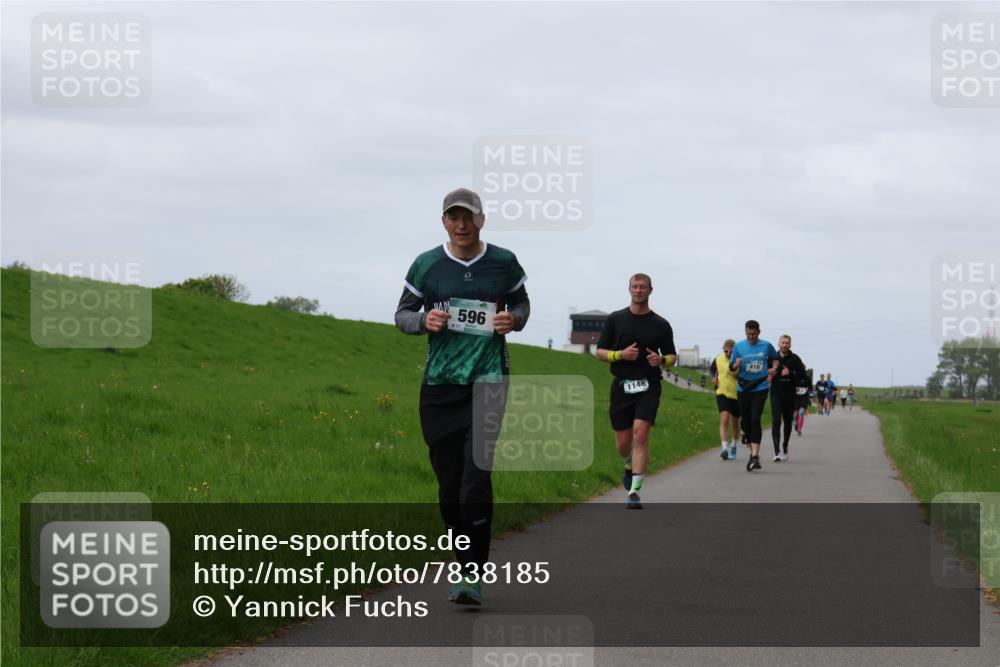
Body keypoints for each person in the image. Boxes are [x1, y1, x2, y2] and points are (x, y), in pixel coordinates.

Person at [394, 187, 530, 606]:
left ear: (481, 219)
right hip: (439, 386)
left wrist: (514, 320)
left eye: (468, 216)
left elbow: (522, 304)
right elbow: (401, 315)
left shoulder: (504, 262)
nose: (461, 223)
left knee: (475, 479)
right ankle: (462, 556)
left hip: (489, 382)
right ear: (444, 222)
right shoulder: (427, 265)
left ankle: (471, 573)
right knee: (450, 486)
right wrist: (424, 320)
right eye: (453, 217)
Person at [596, 273, 677, 509]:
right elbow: (599, 352)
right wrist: (620, 355)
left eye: (643, 287)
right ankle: (628, 464)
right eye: (635, 286)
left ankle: (634, 491)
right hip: (622, 385)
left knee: (641, 434)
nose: (639, 290)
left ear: (651, 290)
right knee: (623, 443)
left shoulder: (661, 324)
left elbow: (673, 357)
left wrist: (661, 360)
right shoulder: (615, 319)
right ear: (629, 289)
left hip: (648, 385)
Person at [730, 320, 779, 472]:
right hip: (743, 387)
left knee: (755, 419)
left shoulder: (766, 346)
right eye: (748, 334)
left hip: (760, 386)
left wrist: (774, 368)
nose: (751, 337)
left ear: (759, 332)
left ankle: (755, 456)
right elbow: (731, 367)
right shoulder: (738, 346)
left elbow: (776, 359)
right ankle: (749, 442)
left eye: (753, 334)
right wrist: (735, 365)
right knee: (745, 422)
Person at [770, 335, 807, 461]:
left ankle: (785, 446)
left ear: (790, 345)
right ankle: (776, 451)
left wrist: (790, 373)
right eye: (783, 342)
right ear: (778, 343)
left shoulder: (795, 359)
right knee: (776, 421)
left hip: (790, 394)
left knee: (787, 422)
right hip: (776, 393)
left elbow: (803, 376)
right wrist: (770, 374)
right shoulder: (772, 357)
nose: (785, 345)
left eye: (787, 343)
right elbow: (766, 371)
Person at [710, 339, 741, 461]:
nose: (728, 353)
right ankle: (724, 447)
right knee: (724, 418)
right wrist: (714, 379)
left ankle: (733, 444)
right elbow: (712, 371)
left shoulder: (739, 361)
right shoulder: (718, 359)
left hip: (736, 395)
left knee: (735, 423)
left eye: (731, 351)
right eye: (726, 350)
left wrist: (737, 375)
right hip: (722, 392)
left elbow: (745, 376)